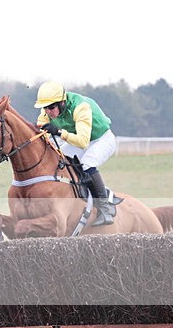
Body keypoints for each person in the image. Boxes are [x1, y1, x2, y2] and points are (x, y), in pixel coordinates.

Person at [34, 81, 117, 225]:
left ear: (62, 102)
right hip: (78, 140)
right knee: (59, 160)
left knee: (87, 163)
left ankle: (105, 208)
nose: (48, 111)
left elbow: (83, 142)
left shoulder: (81, 107)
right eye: (44, 107)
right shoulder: (47, 110)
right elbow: (42, 132)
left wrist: (59, 132)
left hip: (101, 139)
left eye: (51, 107)